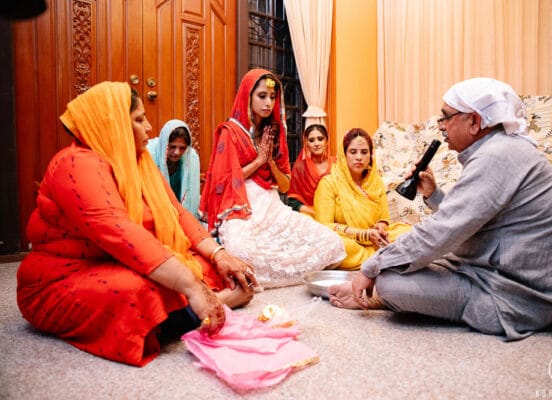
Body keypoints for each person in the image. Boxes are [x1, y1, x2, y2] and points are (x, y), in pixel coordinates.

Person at [328, 77, 552, 340]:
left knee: (389, 279)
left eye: (446, 117)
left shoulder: (496, 156)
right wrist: (433, 195)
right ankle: (387, 295)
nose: (441, 126)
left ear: (474, 121)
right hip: (494, 270)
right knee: (404, 259)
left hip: (515, 298)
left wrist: (369, 269)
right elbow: (471, 222)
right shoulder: (500, 149)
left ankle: (381, 296)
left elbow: (442, 231)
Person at [16, 81, 258, 367]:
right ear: (114, 122)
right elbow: (122, 234)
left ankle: (200, 305)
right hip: (64, 276)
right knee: (138, 290)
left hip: (122, 260)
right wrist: (192, 287)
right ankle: (216, 304)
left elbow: (178, 213)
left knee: (206, 267)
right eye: (139, 119)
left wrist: (220, 254)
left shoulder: (139, 162)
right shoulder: (76, 164)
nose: (149, 128)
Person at [200, 69, 346, 288]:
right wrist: (258, 162)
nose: (268, 102)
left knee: (331, 242)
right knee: (240, 251)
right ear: (247, 97)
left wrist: (269, 162)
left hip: (272, 207)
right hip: (240, 209)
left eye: (272, 97)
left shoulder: (275, 132)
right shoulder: (229, 132)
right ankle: (289, 274)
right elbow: (222, 182)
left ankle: (283, 273)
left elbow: (286, 185)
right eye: (262, 96)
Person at [314, 128, 411, 270]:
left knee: (407, 231)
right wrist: (364, 234)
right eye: (353, 152)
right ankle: (385, 257)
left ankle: (378, 257)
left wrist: (380, 227)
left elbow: (384, 217)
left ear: (371, 156)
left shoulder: (376, 181)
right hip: (350, 242)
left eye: (364, 152)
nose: (359, 157)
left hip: (375, 241)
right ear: (344, 155)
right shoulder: (329, 183)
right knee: (333, 244)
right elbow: (324, 226)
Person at [147, 119, 201, 218]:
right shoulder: (150, 154)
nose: (177, 152)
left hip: (180, 213)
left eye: (182, 148)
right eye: (172, 147)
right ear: (164, 144)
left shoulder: (191, 158)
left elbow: (192, 200)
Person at [287, 124, 336, 217]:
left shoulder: (337, 164)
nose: (316, 144)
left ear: (327, 141)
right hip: (310, 215)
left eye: (320, 139)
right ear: (306, 144)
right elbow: (292, 201)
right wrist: (316, 213)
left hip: (335, 214)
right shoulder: (300, 167)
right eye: (311, 140)